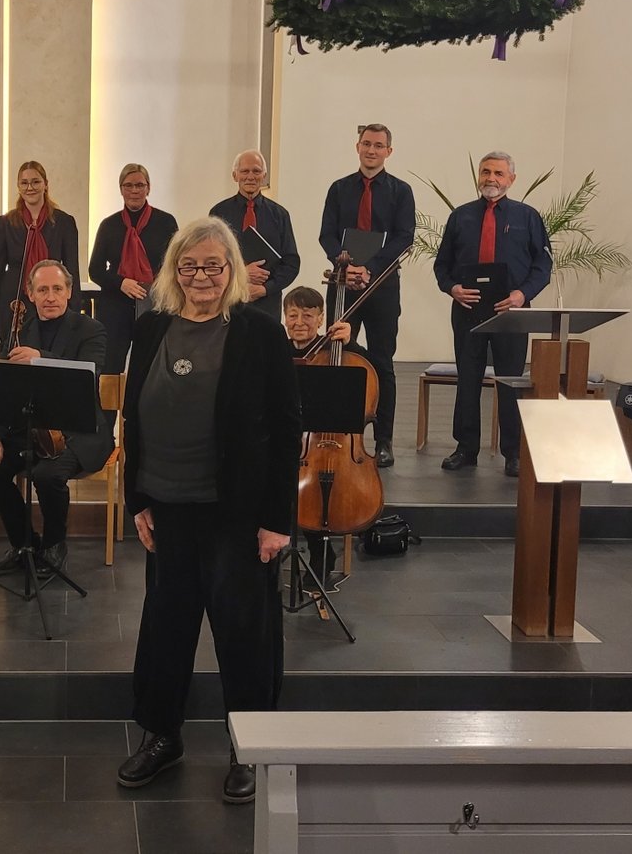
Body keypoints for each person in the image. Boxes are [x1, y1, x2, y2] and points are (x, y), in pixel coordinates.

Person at [117, 217, 300, 805]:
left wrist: (276, 520)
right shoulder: (150, 330)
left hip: (236, 513)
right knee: (166, 629)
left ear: (232, 272)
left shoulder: (259, 334)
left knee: (243, 633)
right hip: (167, 506)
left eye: (213, 266)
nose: (201, 277)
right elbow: (135, 417)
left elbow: (284, 427)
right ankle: (162, 736)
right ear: (173, 271)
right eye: (189, 266)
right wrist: (139, 499)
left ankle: (248, 747)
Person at [0, 261, 111, 579]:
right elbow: (3, 387)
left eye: (57, 289)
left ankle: (54, 546)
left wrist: (39, 358)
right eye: (42, 290)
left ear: (69, 292)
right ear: (31, 294)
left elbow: (88, 373)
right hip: (31, 429)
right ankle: (25, 545)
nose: (50, 297)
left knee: (47, 474)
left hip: (80, 431)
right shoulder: (18, 331)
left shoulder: (91, 329)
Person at [431, 151, 552, 478]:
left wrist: (521, 295)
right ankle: (465, 448)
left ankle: (512, 452)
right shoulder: (460, 217)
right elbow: (441, 265)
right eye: (486, 172)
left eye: (498, 173)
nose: (491, 178)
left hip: (511, 314)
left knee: (510, 381)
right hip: (468, 311)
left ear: (511, 179)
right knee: (467, 380)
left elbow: (543, 266)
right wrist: (453, 287)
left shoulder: (528, 217)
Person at [318, 124, 415, 469]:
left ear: (389, 151)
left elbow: (405, 238)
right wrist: (346, 264)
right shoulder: (339, 189)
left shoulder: (401, 192)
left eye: (378, 145)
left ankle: (384, 440)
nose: (371, 150)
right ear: (357, 146)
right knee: (338, 358)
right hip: (342, 284)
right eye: (366, 144)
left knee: (383, 361)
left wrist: (369, 268)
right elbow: (327, 235)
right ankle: (337, 433)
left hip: (383, 287)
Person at [282, 286, 360, 591]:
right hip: (284, 439)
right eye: (292, 315)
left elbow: (367, 372)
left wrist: (352, 343)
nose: (300, 321)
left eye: (308, 315)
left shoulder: (335, 350)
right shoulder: (276, 349)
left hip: (322, 444)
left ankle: (321, 552)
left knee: (315, 488)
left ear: (320, 318)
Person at [87, 163, 178, 373]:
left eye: (139, 185)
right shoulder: (109, 225)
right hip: (116, 306)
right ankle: (108, 407)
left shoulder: (166, 222)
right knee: (110, 368)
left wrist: (155, 285)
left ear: (149, 188)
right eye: (128, 185)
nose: (134, 191)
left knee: (151, 366)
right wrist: (121, 283)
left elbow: (175, 264)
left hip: (155, 303)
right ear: (120, 189)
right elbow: (95, 269)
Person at [0, 161, 80, 352]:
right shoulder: (5, 223)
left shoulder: (64, 222)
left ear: (46, 184)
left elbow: (72, 269)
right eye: (24, 183)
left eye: (35, 182)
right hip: (14, 300)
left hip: (50, 296)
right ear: (18, 187)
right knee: (13, 357)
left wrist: (74, 310)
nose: (30, 188)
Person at [209, 149, 301, 322]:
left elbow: (291, 263)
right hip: (229, 300)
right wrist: (242, 273)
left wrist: (265, 289)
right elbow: (211, 261)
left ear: (264, 175)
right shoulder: (218, 213)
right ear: (235, 175)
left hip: (268, 303)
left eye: (256, 171)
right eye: (244, 171)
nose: (250, 176)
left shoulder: (280, 215)